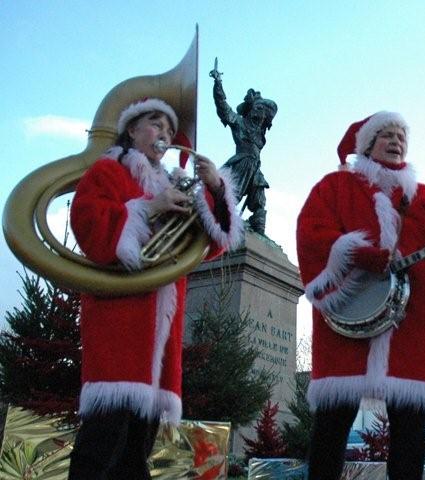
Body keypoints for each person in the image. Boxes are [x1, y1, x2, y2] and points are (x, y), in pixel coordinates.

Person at [296, 111, 425, 479]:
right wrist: (360, 253)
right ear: (366, 144)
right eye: (386, 134)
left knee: (410, 433)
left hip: (410, 326)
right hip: (345, 323)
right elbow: (311, 236)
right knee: (331, 427)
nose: (396, 140)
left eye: (401, 135)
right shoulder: (333, 188)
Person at [67, 97, 243, 479]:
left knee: (136, 456)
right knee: (99, 450)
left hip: (160, 337)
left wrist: (214, 186)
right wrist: (148, 207)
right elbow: (89, 224)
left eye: (168, 127)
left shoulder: (176, 182)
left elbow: (210, 245)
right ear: (131, 130)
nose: (164, 133)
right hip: (119, 322)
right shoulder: (109, 171)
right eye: (154, 123)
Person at [209, 61, 277, 235]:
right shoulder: (240, 123)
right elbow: (223, 108)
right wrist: (218, 83)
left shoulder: (261, 132)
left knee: (259, 201)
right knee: (231, 198)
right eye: (259, 108)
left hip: (255, 167)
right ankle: (221, 227)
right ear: (252, 109)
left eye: (264, 111)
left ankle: (258, 238)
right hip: (241, 164)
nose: (261, 113)